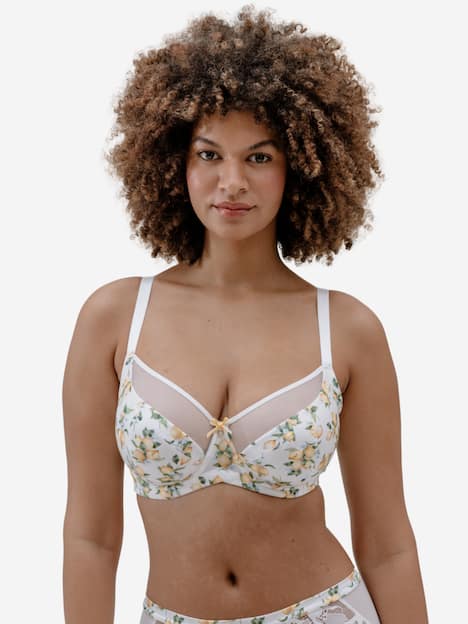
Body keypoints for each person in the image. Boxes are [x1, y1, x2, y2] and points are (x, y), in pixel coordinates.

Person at [62, 5, 428, 623]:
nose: (231, 182)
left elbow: (388, 546)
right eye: (209, 155)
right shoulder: (114, 317)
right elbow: (91, 539)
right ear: (175, 163)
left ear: (301, 168)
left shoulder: (348, 330)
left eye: (259, 158)